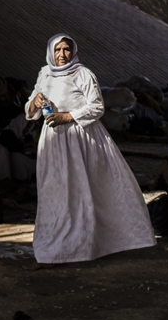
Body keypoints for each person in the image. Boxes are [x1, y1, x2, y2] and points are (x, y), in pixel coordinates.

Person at [24, 33, 156, 267]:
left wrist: (67, 116)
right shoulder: (45, 73)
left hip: (80, 140)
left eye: (66, 50)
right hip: (54, 143)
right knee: (55, 191)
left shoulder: (83, 74)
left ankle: (89, 245)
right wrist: (35, 103)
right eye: (58, 50)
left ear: (73, 51)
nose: (62, 55)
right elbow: (31, 104)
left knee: (85, 191)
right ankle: (56, 248)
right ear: (50, 52)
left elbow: (97, 106)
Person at [0, 114, 39, 182]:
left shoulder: (22, 135)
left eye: (29, 127)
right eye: (26, 126)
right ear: (20, 123)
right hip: (0, 158)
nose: (27, 129)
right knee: (16, 156)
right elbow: (15, 146)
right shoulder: (6, 133)